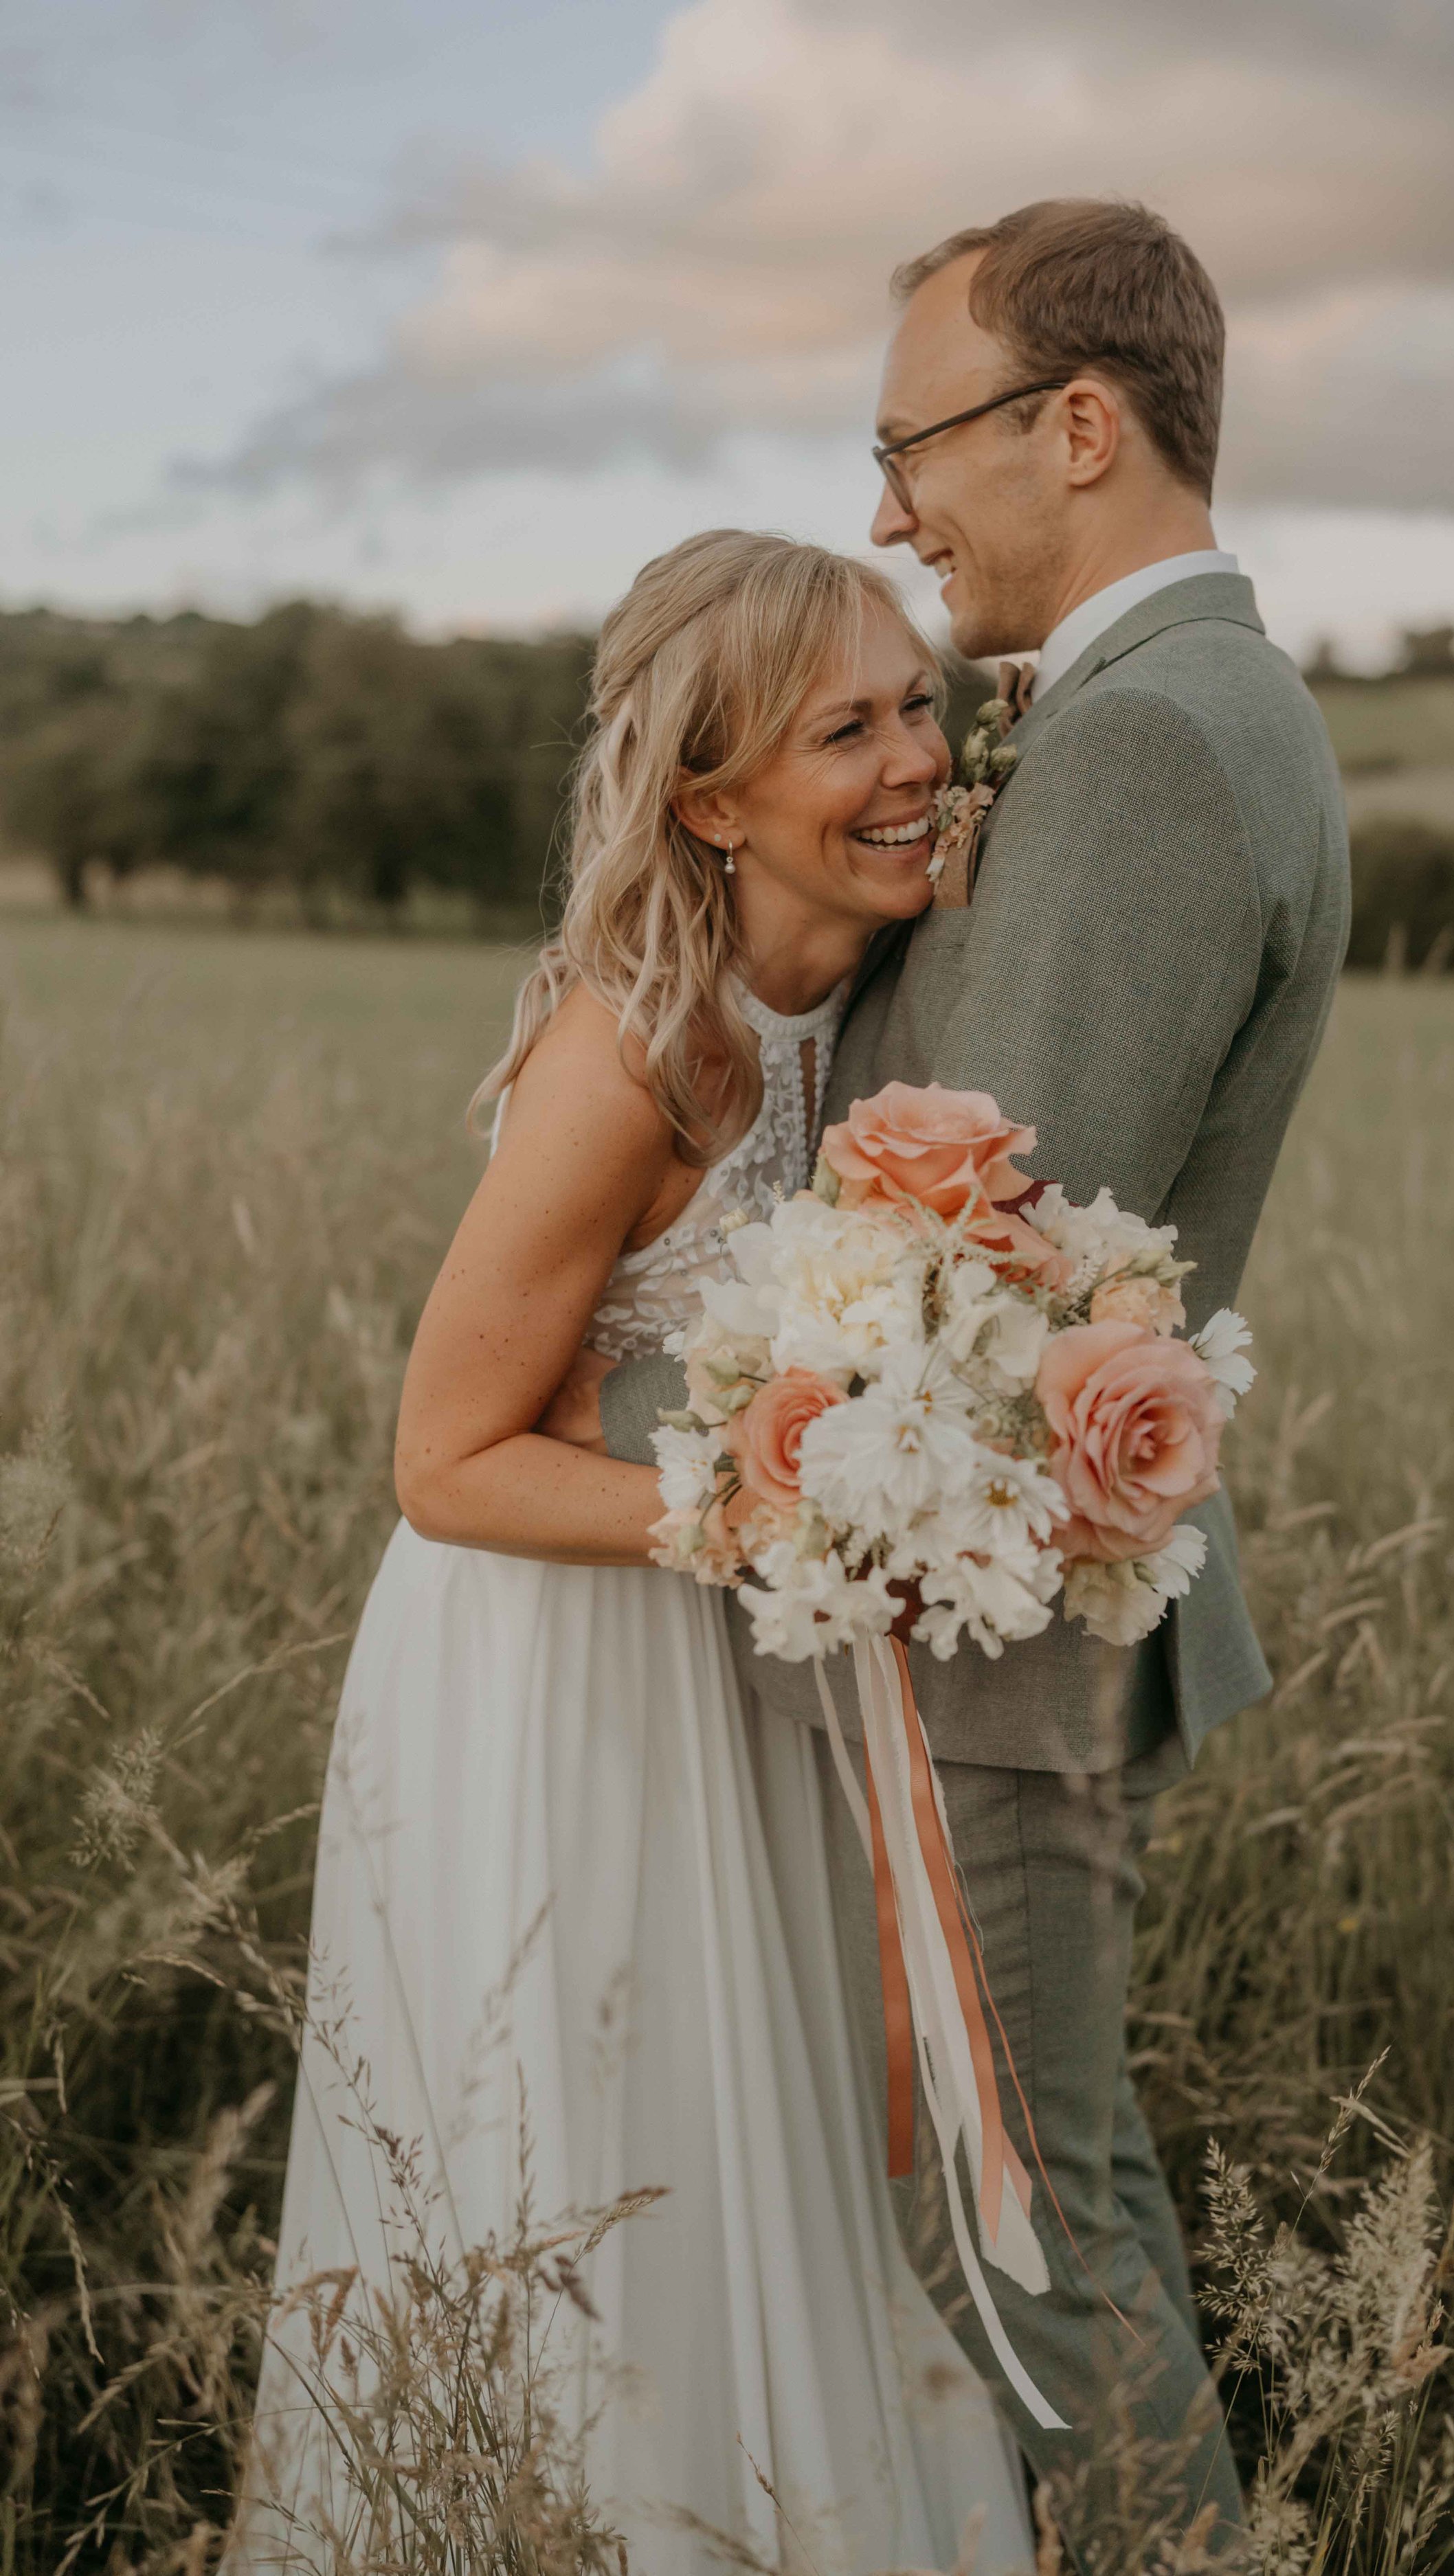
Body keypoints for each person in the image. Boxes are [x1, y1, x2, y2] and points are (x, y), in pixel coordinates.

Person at [588, 201, 1352, 2563]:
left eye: (911, 445)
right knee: (1017, 2209)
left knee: (1027, 2240)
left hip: (990, 1620)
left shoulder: (1143, 745)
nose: (890, 512)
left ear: (1082, 427)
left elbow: (971, 1263)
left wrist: (680, 1442)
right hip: (979, 1596)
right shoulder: (1168, 714)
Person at [233, 531, 1035, 2575]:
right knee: (603, 2166)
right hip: (554, 1668)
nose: (907, 760)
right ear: (708, 799)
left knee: (762, 2152)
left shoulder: (864, 998)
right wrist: (792, 1513)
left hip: (735, 1655)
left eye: (916, 704)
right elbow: (444, 1458)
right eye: (839, 728)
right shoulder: (633, 1050)